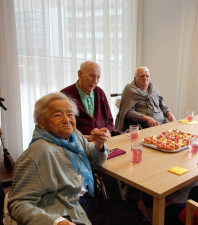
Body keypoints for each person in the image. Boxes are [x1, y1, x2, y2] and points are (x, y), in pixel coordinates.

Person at [8, 92, 144, 225]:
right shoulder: (37, 153)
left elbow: (96, 159)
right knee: (128, 219)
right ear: (41, 122)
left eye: (70, 114)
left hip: (85, 200)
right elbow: (18, 204)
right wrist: (56, 222)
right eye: (57, 115)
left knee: (132, 210)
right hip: (65, 210)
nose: (66, 120)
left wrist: (99, 145)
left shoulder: (74, 136)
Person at [61, 61, 114, 142]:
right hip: (78, 145)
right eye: (92, 76)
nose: (95, 81)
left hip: (103, 142)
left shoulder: (100, 93)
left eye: (98, 77)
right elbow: (61, 128)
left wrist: (107, 131)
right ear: (80, 74)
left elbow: (109, 120)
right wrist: (86, 138)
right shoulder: (65, 95)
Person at [115, 66, 175, 132]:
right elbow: (127, 112)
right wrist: (146, 118)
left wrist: (169, 113)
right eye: (142, 76)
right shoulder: (129, 89)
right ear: (135, 79)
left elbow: (163, 106)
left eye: (147, 76)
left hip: (163, 123)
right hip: (144, 127)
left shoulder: (154, 88)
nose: (145, 78)